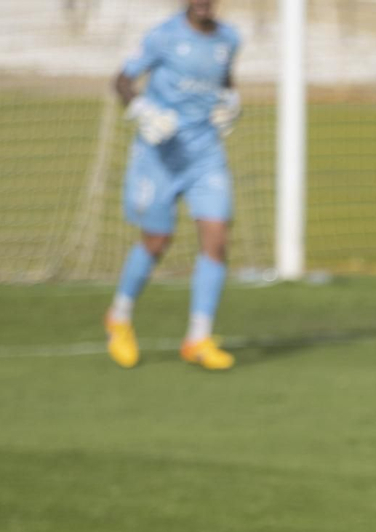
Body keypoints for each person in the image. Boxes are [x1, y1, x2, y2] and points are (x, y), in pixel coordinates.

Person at [104, 1, 242, 371]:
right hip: (158, 156)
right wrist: (142, 110)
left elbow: (226, 83)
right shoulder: (163, 35)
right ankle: (119, 316)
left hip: (206, 156)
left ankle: (198, 337)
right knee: (156, 241)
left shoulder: (230, 38)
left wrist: (232, 101)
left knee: (216, 238)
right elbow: (122, 81)